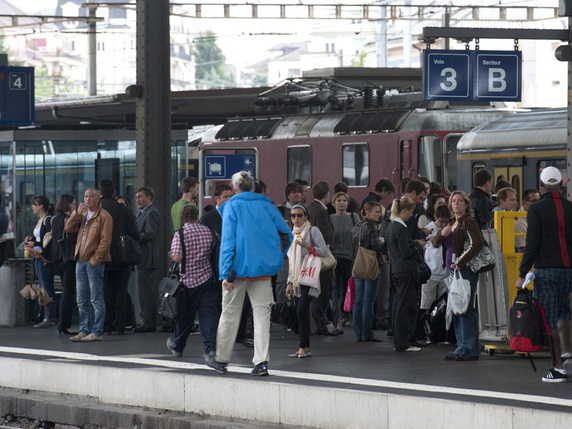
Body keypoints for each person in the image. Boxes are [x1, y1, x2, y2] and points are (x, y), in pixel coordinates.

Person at [204, 171, 293, 376]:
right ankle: (261, 362)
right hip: (263, 271)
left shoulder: (231, 206)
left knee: (230, 314)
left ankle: (221, 359)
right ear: (252, 186)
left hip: (237, 271)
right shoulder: (267, 206)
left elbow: (228, 242)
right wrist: (276, 259)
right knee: (262, 316)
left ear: (235, 188)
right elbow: (287, 235)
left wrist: (225, 273)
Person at [516, 167, 572, 382]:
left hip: (546, 272)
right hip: (569, 271)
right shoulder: (570, 207)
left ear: (542, 185)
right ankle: (567, 353)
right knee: (565, 313)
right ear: (561, 184)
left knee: (549, 318)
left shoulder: (536, 209)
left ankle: (557, 367)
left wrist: (522, 274)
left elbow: (532, 245)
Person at [166, 204, 220, 358]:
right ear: (196, 216)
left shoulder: (180, 234)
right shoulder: (208, 232)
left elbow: (176, 257)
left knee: (185, 317)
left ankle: (177, 346)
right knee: (208, 315)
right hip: (207, 278)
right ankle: (210, 348)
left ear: (182, 218)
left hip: (188, 282)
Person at [435, 190, 483, 361]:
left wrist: (461, 262)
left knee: (466, 308)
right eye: (454, 201)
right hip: (451, 270)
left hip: (465, 270)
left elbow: (477, 244)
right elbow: (435, 242)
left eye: (460, 201)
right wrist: (442, 233)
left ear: (466, 204)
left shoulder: (468, 221)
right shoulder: (450, 223)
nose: (456, 203)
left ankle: (470, 349)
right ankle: (461, 347)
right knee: (456, 308)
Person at [66, 188, 113, 342]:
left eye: (91, 197)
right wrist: (76, 213)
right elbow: (68, 228)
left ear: (98, 198)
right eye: (85, 196)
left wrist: (95, 260)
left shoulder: (104, 216)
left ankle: (97, 331)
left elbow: (105, 241)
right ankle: (84, 330)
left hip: (93, 262)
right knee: (81, 298)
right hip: (80, 260)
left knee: (96, 298)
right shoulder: (84, 214)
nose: (87, 200)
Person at [285, 204, 328, 358]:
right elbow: (291, 261)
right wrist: (289, 283)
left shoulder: (312, 230)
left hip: (309, 277)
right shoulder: (292, 233)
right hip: (297, 279)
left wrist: (307, 246)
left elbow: (323, 250)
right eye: (293, 216)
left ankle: (304, 347)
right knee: (300, 314)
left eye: (299, 215)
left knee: (302, 310)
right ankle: (304, 347)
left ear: (306, 216)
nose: (296, 218)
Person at [100, 179, 140, 336]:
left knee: (105, 291)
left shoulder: (97, 209)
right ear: (114, 192)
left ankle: (106, 325)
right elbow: (134, 232)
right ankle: (120, 325)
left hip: (102, 256)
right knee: (121, 291)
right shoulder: (123, 210)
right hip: (122, 257)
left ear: (100, 192)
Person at [386, 197, 425, 352]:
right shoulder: (401, 229)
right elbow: (406, 252)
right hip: (405, 270)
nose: (411, 215)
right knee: (404, 307)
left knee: (402, 305)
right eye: (411, 212)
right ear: (405, 210)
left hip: (396, 269)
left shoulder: (391, 227)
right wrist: (417, 244)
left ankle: (405, 341)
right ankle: (403, 343)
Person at [351, 201, 384, 342]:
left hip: (358, 265)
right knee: (368, 301)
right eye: (376, 211)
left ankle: (358, 333)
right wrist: (383, 242)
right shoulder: (371, 226)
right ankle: (367, 333)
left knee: (358, 300)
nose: (379, 214)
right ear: (368, 212)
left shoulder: (357, 226)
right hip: (370, 266)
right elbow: (376, 245)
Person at [307, 181, 336, 335]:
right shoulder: (321, 212)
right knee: (320, 292)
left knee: (312, 292)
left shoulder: (310, 208)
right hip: (321, 258)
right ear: (326, 194)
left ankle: (314, 325)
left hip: (311, 256)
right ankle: (318, 326)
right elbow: (326, 237)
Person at [330, 191, 360, 330]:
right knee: (335, 290)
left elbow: (360, 235)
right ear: (333, 203)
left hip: (350, 259)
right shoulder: (330, 219)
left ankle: (350, 316)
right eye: (339, 201)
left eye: (344, 201)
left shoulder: (354, 218)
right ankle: (337, 321)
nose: (342, 203)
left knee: (350, 289)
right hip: (335, 260)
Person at [25, 196, 56, 329]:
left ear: (41, 205)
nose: (32, 206)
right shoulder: (39, 221)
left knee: (47, 287)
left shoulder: (48, 220)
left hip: (43, 258)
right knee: (42, 287)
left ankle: (50, 317)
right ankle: (45, 316)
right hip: (37, 256)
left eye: (35, 204)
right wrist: (32, 239)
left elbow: (48, 241)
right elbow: (41, 238)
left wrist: (35, 243)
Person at [134, 186, 161, 333]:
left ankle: (148, 322)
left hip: (146, 258)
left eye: (141, 196)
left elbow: (151, 233)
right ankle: (146, 320)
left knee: (147, 292)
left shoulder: (151, 213)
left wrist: (134, 235)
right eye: (136, 197)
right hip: (143, 258)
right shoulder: (143, 213)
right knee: (144, 291)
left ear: (149, 197)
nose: (137, 199)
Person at [50, 194, 78, 335]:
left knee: (64, 290)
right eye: (73, 203)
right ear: (68, 205)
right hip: (67, 258)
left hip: (56, 258)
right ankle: (65, 324)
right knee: (68, 291)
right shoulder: (69, 219)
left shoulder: (55, 219)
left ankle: (61, 324)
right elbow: (72, 237)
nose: (75, 205)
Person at [421, 205, 452, 314]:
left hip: (444, 274)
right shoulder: (428, 229)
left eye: (446, 221)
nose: (443, 224)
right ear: (435, 217)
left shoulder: (449, 230)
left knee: (442, 306)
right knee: (427, 305)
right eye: (441, 221)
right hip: (431, 273)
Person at [515, 188, 540, 253]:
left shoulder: (536, 216)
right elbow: (522, 249)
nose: (538, 204)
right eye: (534, 201)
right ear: (525, 203)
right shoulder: (520, 222)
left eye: (539, 200)